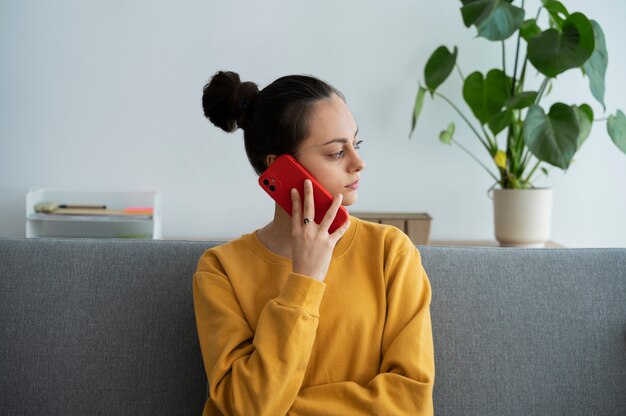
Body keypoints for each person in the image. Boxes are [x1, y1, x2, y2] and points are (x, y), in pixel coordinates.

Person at [194, 70, 434, 415]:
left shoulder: (391, 252)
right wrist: (304, 281)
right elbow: (242, 407)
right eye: (337, 152)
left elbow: (410, 402)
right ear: (280, 169)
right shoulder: (220, 271)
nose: (359, 163)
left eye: (357, 144)